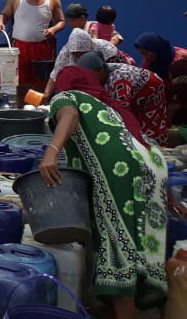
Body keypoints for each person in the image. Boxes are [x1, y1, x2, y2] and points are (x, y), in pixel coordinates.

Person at [39, 66, 183, 319]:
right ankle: (121, 307)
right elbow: (143, 150)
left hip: (119, 176)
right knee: (139, 243)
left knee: (118, 247)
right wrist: (168, 196)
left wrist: (52, 151)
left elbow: (69, 115)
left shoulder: (68, 97)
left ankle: (123, 309)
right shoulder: (110, 104)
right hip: (153, 169)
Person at [0, 0, 65, 104]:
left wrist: (53, 30)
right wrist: (0, 22)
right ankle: (21, 110)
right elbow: (4, 15)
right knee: (21, 83)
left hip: (43, 47)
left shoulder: (52, 0)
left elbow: (61, 21)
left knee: (41, 83)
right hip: (21, 47)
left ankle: (39, 112)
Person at [78, 51, 169, 146]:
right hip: (134, 91)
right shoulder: (102, 72)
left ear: (101, 69)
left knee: (151, 124)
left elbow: (121, 110)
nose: (90, 79)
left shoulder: (118, 79)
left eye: (92, 75)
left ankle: (159, 149)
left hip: (152, 87)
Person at [40, 28, 122, 103]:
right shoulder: (65, 53)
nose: (79, 56)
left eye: (82, 53)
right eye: (75, 53)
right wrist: (46, 95)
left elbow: (110, 75)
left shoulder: (106, 49)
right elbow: (55, 75)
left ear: (89, 47)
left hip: (116, 78)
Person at [135, 32, 187, 125]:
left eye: (146, 53)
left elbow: (182, 95)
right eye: (142, 54)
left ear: (156, 49)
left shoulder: (180, 62)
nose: (145, 58)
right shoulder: (150, 62)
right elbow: (145, 83)